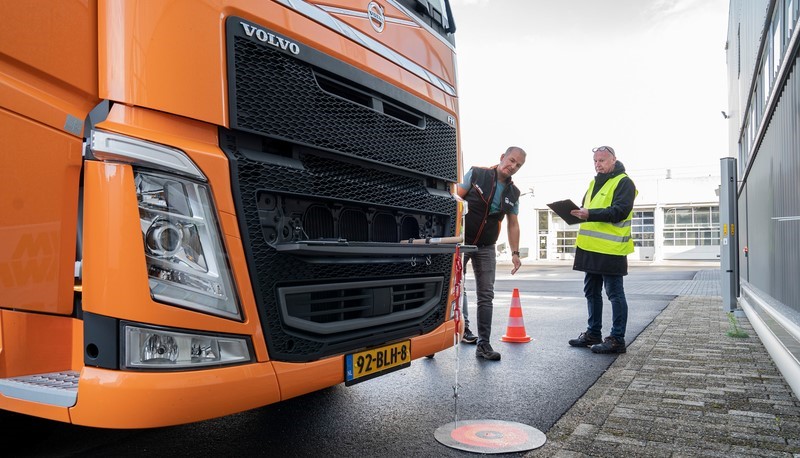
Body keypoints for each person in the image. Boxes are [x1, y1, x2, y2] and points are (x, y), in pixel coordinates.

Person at [457, 146, 526, 361]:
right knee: (450, 289)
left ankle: (483, 345)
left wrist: (515, 252)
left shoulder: (513, 193)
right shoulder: (477, 173)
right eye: (511, 160)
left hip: (486, 246)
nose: (513, 166)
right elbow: (455, 200)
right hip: (461, 241)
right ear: (502, 157)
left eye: (518, 165)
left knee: (486, 295)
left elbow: (513, 224)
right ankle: (436, 338)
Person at [568, 145, 637, 354]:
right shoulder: (593, 182)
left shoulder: (624, 182)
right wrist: (573, 213)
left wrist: (589, 214)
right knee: (591, 292)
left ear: (613, 160)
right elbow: (586, 209)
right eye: (595, 161)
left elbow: (619, 211)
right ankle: (593, 334)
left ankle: (617, 339)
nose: (598, 165)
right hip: (590, 248)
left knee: (614, 294)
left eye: (602, 161)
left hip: (612, 249)